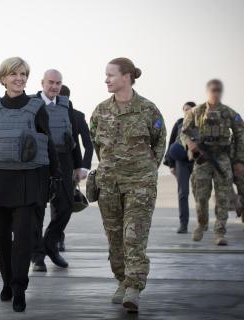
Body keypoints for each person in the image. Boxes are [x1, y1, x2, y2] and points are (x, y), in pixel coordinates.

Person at [0, 57, 60, 312]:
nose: (19, 78)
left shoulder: (36, 106)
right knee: (3, 240)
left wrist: (56, 176)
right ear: (4, 78)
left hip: (29, 180)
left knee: (23, 241)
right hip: (0, 180)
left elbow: (48, 141)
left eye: (23, 74)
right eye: (14, 74)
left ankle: (19, 288)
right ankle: (7, 282)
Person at [90, 58, 166, 312]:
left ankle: (134, 287)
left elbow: (159, 142)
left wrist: (146, 172)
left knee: (134, 236)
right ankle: (121, 280)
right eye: (106, 75)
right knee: (115, 238)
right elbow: (96, 143)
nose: (106, 80)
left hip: (140, 185)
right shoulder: (100, 111)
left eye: (111, 75)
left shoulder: (148, 109)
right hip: (109, 185)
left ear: (127, 77)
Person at [181, 79, 244, 245]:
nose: (215, 93)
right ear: (208, 91)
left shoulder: (230, 113)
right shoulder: (196, 112)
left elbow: (240, 136)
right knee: (201, 197)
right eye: (213, 90)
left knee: (223, 197)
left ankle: (219, 232)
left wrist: (238, 161)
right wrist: (190, 144)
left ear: (221, 92)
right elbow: (184, 132)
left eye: (218, 90)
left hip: (222, 159)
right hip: (202, 159)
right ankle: (202, 224)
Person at [31, 71, 83, 273]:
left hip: (63, 160)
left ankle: (49, 244)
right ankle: (37, 257)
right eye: (50, 83)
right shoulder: (30, 103)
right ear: (42, 83)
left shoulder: (66, 104)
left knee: (67, 206)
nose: (54, 87)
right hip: (39, 161)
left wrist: (79, 165)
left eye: (58, 83)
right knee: (36, 209)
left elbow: (74, 136)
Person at [57, 84, 94, 251]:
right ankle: (53, 240)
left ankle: (57, 237)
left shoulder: (77, 117)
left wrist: (83, 168)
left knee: (62, 205)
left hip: (69, 169)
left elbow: (89, 145)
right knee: (55, 205)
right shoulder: (42, 113)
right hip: (47, 168)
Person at [163, 102, 196, 233]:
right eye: (185, 109)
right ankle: (184, 224)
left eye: (190, 109)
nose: (187, 112)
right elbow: (171, 143)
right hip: (181, 162)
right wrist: (171, 164)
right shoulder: (179, 123)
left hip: (197, 161)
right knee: (183, 193)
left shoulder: (201, 124)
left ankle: (202, 223)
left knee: (200, 194)